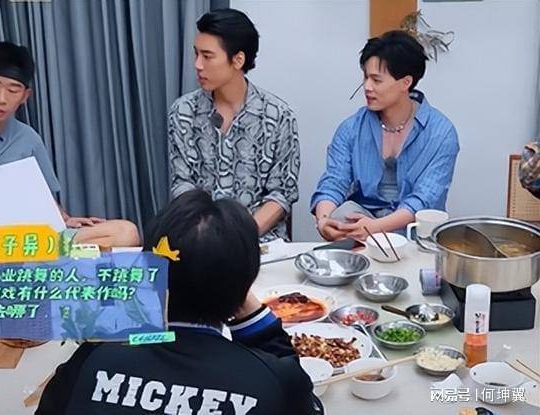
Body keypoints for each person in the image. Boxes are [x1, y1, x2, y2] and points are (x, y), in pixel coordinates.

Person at [36, 189, 324, 415]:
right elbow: (306, 403)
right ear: (245, 285)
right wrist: (253, 316)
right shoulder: (274, 380)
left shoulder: (93, 358)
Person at [0, 42, 139, 247]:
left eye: (12, 90)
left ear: (25, 95)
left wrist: (65, 219)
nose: (1, 98)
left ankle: (48, 256)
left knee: (125, 232)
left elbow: (46, 198)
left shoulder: (28, 138)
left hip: (33, 239)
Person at [311, 30, 459, 241]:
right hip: (360, 232)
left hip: (416, 236)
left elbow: (425, 199)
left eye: (376, 80)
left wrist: (376, 227)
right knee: (341, 219)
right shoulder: (351, 128)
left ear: (406, 82)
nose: (367, 87)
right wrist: (324, 220)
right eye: (365, 77)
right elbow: (334, 181)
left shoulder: (441, 133)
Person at [168, 9, 300, 242]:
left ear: (238, 60)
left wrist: (239, 238)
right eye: (196, 54)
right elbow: (182, 185)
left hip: (259, 242)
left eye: (207, 56)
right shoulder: (183, 112)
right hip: (200, 239)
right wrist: (207, 234)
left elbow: (281, 195)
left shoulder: (279, 116)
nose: (197, 64)